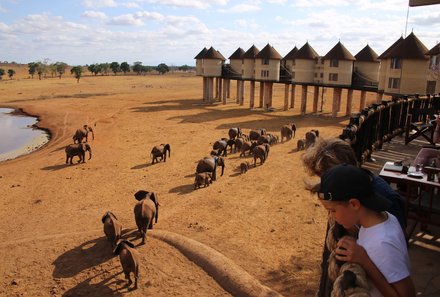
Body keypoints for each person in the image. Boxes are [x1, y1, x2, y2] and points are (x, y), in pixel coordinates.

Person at [318, 164, 415, 297]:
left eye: (333, 210)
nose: (331, 216)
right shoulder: (384, 217)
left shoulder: (383, 242)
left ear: (354, 204)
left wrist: (365, 262)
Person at [302, 137, 406, 231]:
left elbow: (396, 243)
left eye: (327, 179)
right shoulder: (345, 194)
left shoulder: (387, 199)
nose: (326, 185)